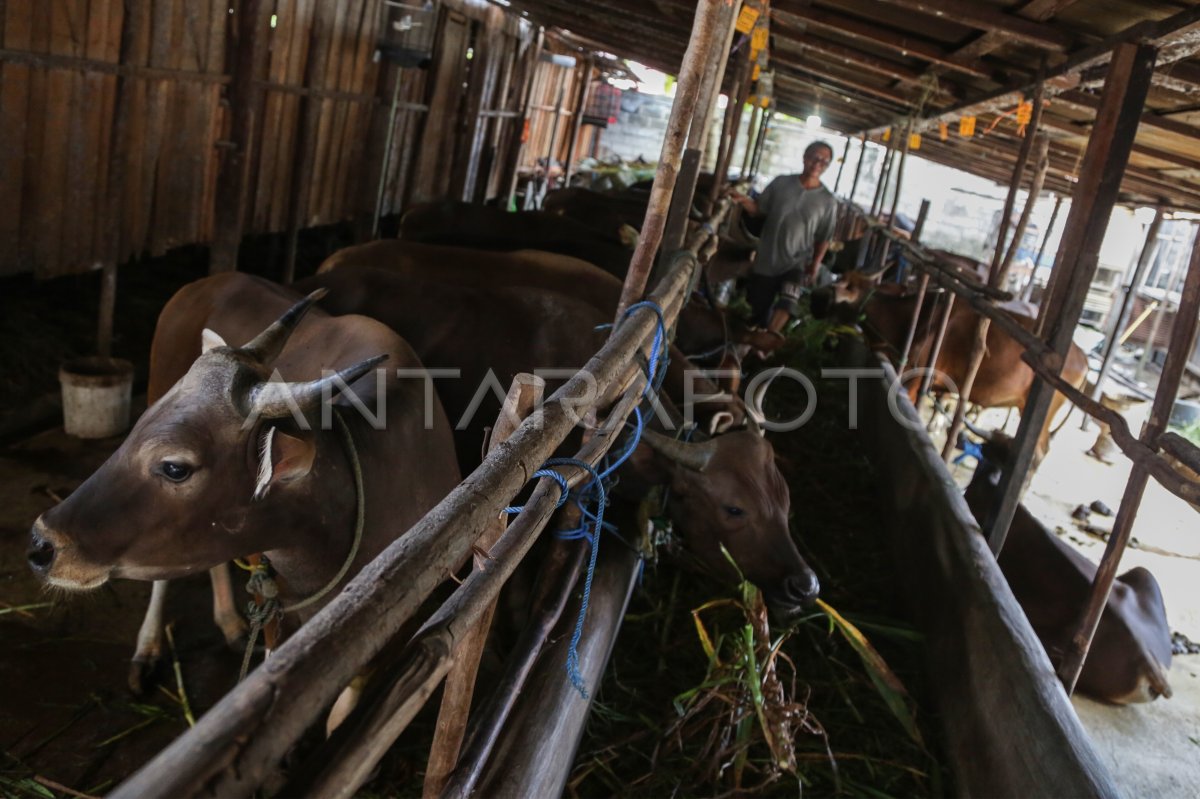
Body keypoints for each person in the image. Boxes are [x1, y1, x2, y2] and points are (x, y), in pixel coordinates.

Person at [728, 141, 839, 335]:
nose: (817, 163)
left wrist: (814, 265)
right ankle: (754, 339)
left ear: (827, 166)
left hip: (797, 261)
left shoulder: (827, 201)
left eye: (824, 161)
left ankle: (767, 341)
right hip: (766, 258)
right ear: (804, 157)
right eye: (814, 157)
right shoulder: (781, 183)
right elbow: (759, 210)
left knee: (789, 300)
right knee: (757, 308)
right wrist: (743, 200)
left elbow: (824, 237)